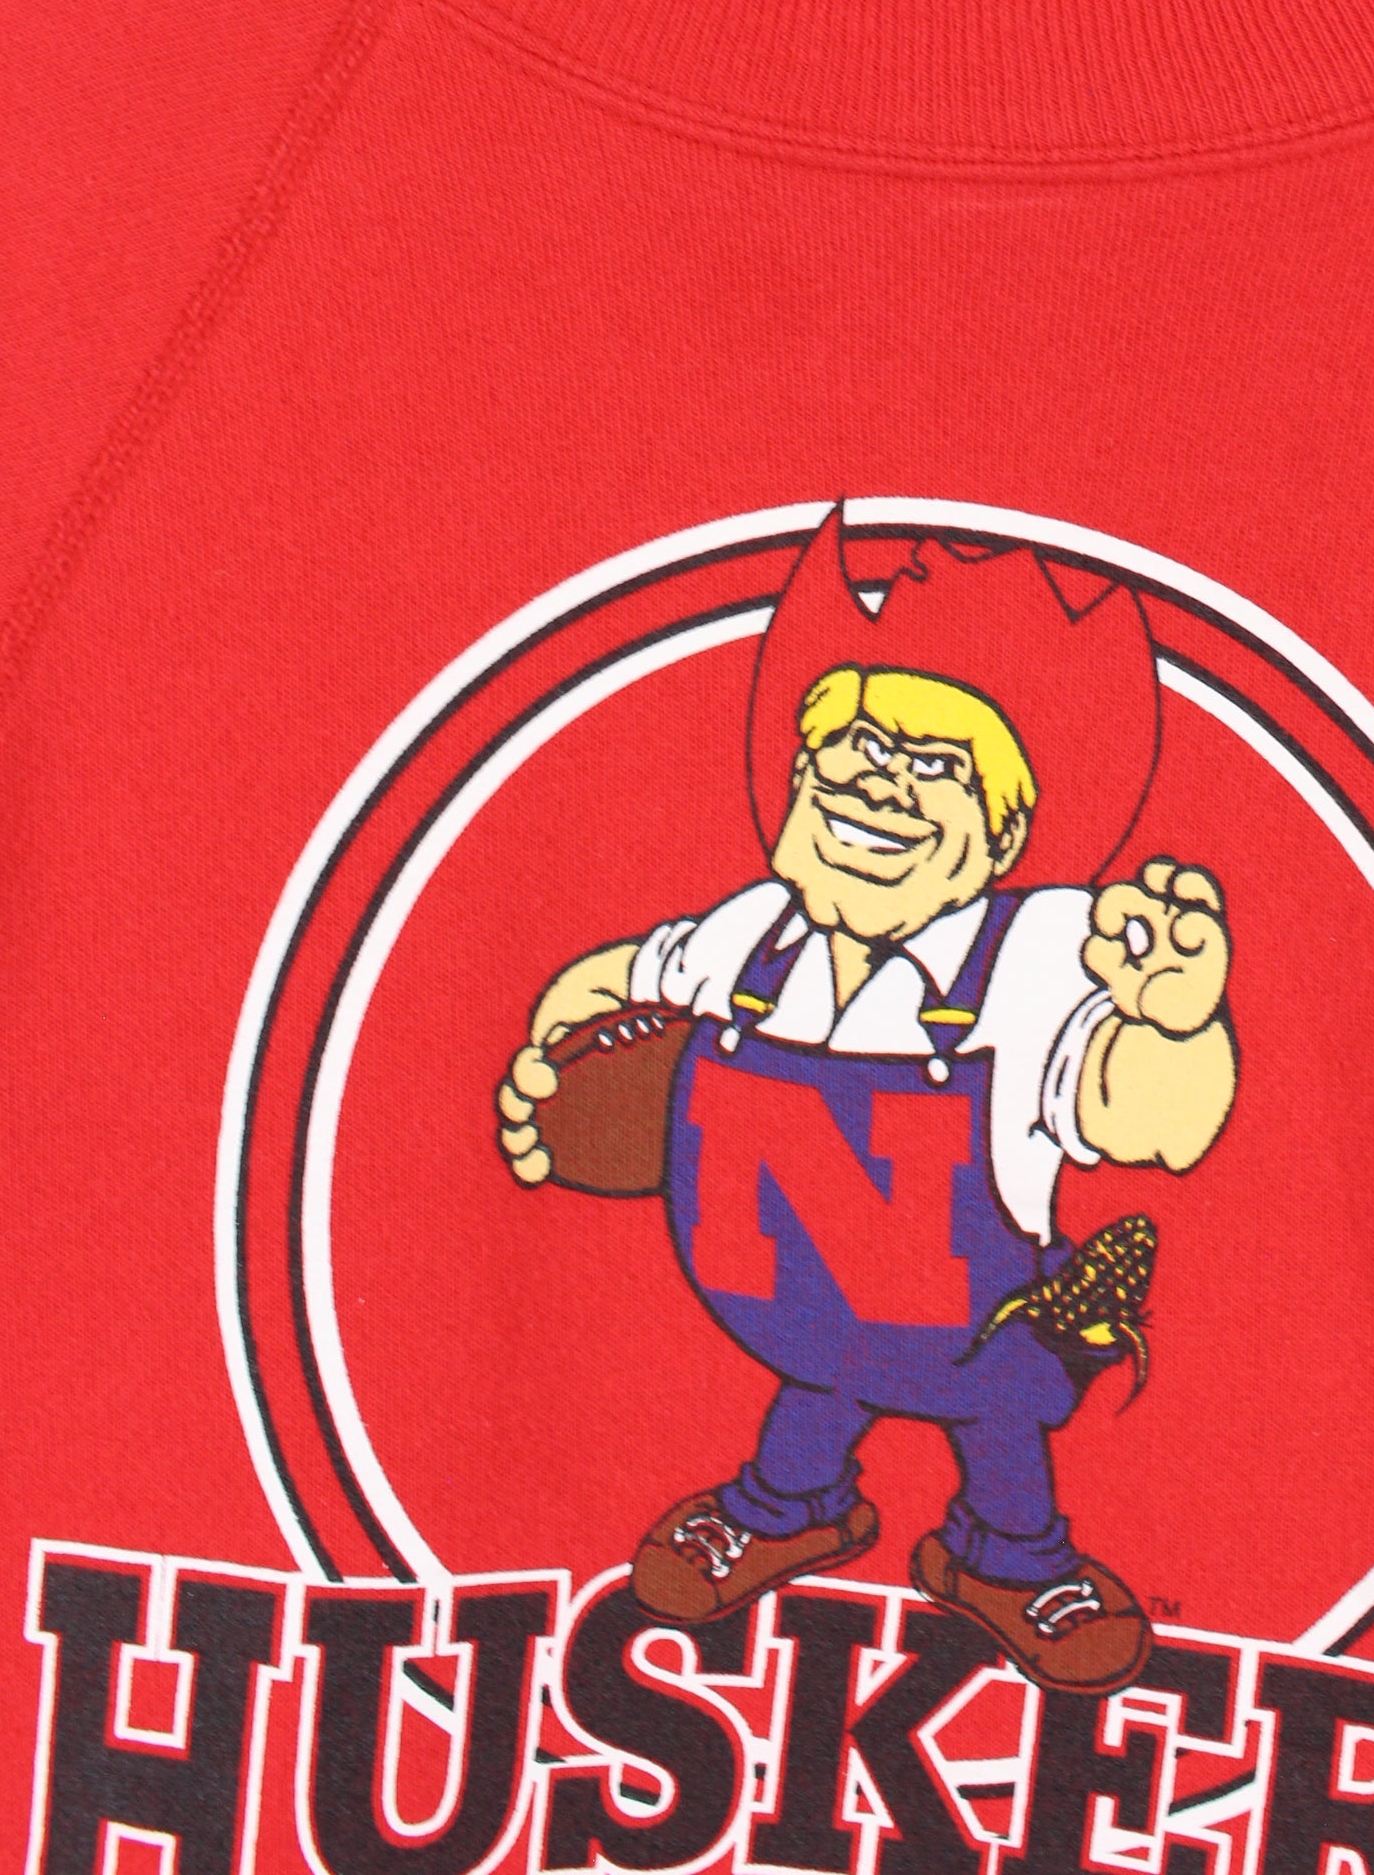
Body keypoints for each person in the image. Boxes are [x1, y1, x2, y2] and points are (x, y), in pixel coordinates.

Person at [497, 512, 1237, 1692]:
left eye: (938, 765)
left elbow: (1149, 1121)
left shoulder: (1041, 953)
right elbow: (624, 979)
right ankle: (788, 1509)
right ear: (796, 779)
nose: (878, 779)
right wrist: (547, 1063)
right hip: (793, 1308)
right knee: (819, 1386)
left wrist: (1177, 1024)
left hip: (977, 1328)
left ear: (1003, 832)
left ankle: (1008, 1559)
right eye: (851, 743)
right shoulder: (753, 934)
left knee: (998, 1427)